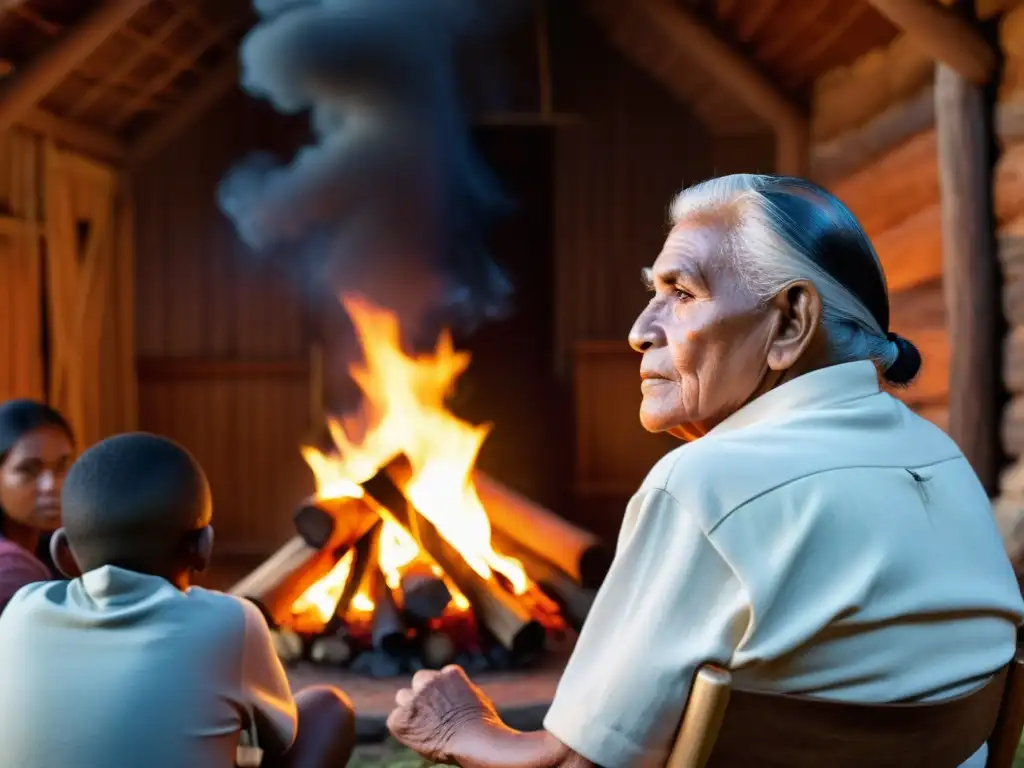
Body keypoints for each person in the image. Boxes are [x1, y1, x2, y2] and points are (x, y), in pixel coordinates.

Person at [385, 174, 1024, 767]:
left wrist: (464, 725)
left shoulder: (702, 485)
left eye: (682, 293)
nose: (640, 331)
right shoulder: (943, 460)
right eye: (652, 294)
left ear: (791, 322)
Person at [0, 432, 356, 768]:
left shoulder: (19, 611)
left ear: (64, 554)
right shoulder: (232, 621)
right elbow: (280, 738)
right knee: (328, 709)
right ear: (203, 548)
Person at [0, 399, 74, 612]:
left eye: (62, 466)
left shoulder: (64, 555)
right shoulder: (10, 568)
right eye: (29, 469)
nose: (51, 485)